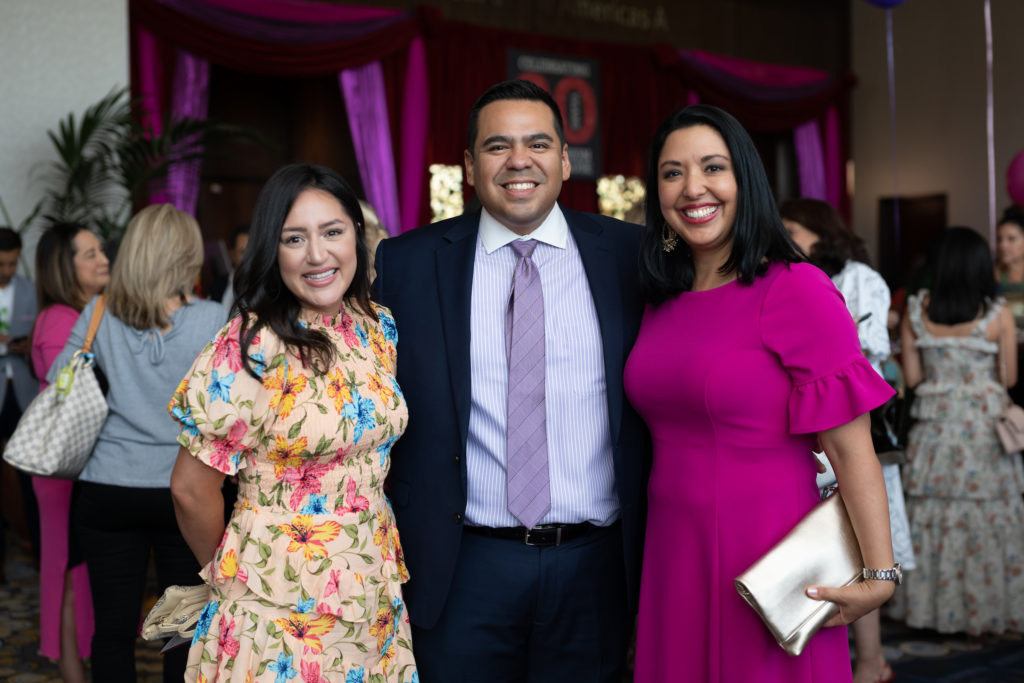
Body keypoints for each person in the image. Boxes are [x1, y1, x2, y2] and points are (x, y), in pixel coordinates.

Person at [372, 79, 650, 682]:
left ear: (564, 160)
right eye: (498, 146)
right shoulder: (407, 264)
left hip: (595, 566)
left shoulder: (632, 257)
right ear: (470, 166)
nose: (519, 160)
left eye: (538, 143)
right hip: (461, 565)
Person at [623, 105, 898, 682]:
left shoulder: (796, 289)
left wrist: (881, 575)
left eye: (712, 167)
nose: (692, 187)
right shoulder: (657, 297)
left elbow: (852, 449)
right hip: (673, 550)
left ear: (744, 179)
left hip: (770, 552)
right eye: (672, 173)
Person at [169, 163, 416, 682]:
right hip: (274, 598)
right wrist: (235, 570)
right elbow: (192, 490)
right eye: (294, 238)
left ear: (357, 235)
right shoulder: (251, 346)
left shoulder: (376, 327)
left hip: (371, 579)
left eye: (333, 232)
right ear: (270, 249)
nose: (318, 255)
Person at [48, 204, 226, 683]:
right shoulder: (214, 318)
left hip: (107, 487)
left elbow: (57, 379)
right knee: (182, 629)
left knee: (111, 630)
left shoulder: (98, 311)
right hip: (186, 490)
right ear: (187, 255)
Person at [780, 197, 912, 683]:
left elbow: (871, 349)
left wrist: (823, 340)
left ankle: (871, 661)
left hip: (847, 420)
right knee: (818, 546)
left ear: (819, 229)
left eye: (793, 227)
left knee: (857, 542)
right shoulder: (783, 272)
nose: (787, 235)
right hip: (807, 429)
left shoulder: (860, 277)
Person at [890, 226, 1024, 635]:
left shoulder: (917, 311)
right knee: (991, 517)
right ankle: (988, 613)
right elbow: (1009, 377)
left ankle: (932, 611)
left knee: (931, 516)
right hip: (984, 432)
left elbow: (911, 379)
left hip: (935, 432)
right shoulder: (997, 314)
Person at [29, 222, 108, 683]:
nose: (103, 259)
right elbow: (74, 393)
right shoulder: (61, 319)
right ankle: (72, 668)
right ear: (65, 266)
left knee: (79, 568)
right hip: (64, 463)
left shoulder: (82, 312)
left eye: (101, 250)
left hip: (82, 461)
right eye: (89, 253)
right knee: (67, 569)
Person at [0, 226, 40, 572]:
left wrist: (26, 345)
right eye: (1, 264)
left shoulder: (31, 291)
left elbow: (40, 340)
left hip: (23, 389)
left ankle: (34, 541)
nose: (7, 271)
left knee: (27, 470)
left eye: (12, 264)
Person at [219, 224, 249, 312]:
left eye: (252, 251)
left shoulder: (266, 288)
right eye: (243, 252)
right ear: (232, 254)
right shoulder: (218, 284)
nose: (249, 257)